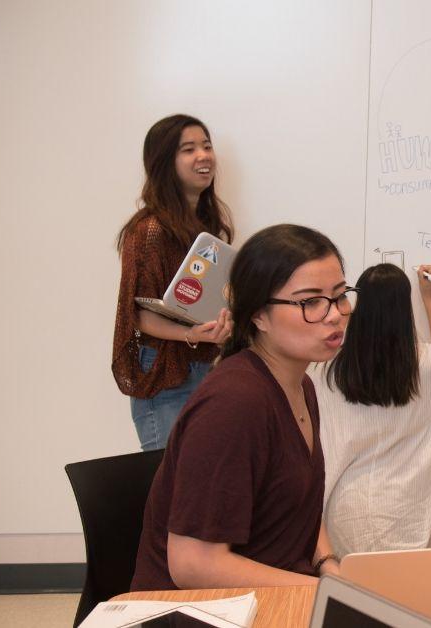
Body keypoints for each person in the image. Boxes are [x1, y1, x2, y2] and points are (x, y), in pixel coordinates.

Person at [131, 224, 353, 590]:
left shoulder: (301, 385)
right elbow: (193, 565)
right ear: (257, 315)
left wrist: (328, 564)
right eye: (310, 302)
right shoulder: (234, 403)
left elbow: (300, 505)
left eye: (340, 296)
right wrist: (323, 591)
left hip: (274, 593)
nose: (334, 314)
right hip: (206, 608)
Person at [112, 114, 235, 451]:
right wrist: (192, 334)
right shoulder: (149, 230)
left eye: (206, 146)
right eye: (188, 149)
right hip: (165, 373)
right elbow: (138, 315)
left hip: (203, 367)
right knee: (171, 475)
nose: (203, 156)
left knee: (200, 473)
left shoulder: (205, 229)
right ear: (165, 161)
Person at [319, 263, 431, 555]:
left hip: (348, 507)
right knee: (399, 584)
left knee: (349, 583)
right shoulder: (426, 363)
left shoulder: (330, 368)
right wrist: (428, 297)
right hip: (403, 509)